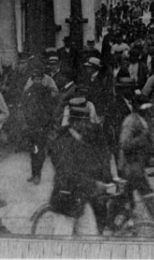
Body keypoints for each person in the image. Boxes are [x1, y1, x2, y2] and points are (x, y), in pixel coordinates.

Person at [49, 95, 113, 235]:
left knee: (91, 238)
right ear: (77, 123)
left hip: (80, 199)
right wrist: (94, 184)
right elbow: (69, 174)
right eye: (85, 123)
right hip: (65, 202)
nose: (89, 126)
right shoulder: (65, 143)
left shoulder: (80, 140)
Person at [118, 93, 154, 229]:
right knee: (147, 197)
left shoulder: (143, 121)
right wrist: (142, 139)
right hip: (130, 167)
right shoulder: (131, 121)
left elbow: (151, 143)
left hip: (136, 167)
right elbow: (124, 144)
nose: (148, 110)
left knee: (128, 200)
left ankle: (117, 224)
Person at [21, 60, 59, 185]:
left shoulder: (46, 91)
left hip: (42, 125)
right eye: (34, 79)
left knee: (40, 151)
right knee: (33, 150)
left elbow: (50, 108)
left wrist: (48, 123)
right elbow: (24, 106)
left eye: (39, 78)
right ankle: (34, 173)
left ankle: (38, 174)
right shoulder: (29, 91)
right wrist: (25, 122)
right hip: (31, 125)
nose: (36, 81)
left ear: (42, 79)